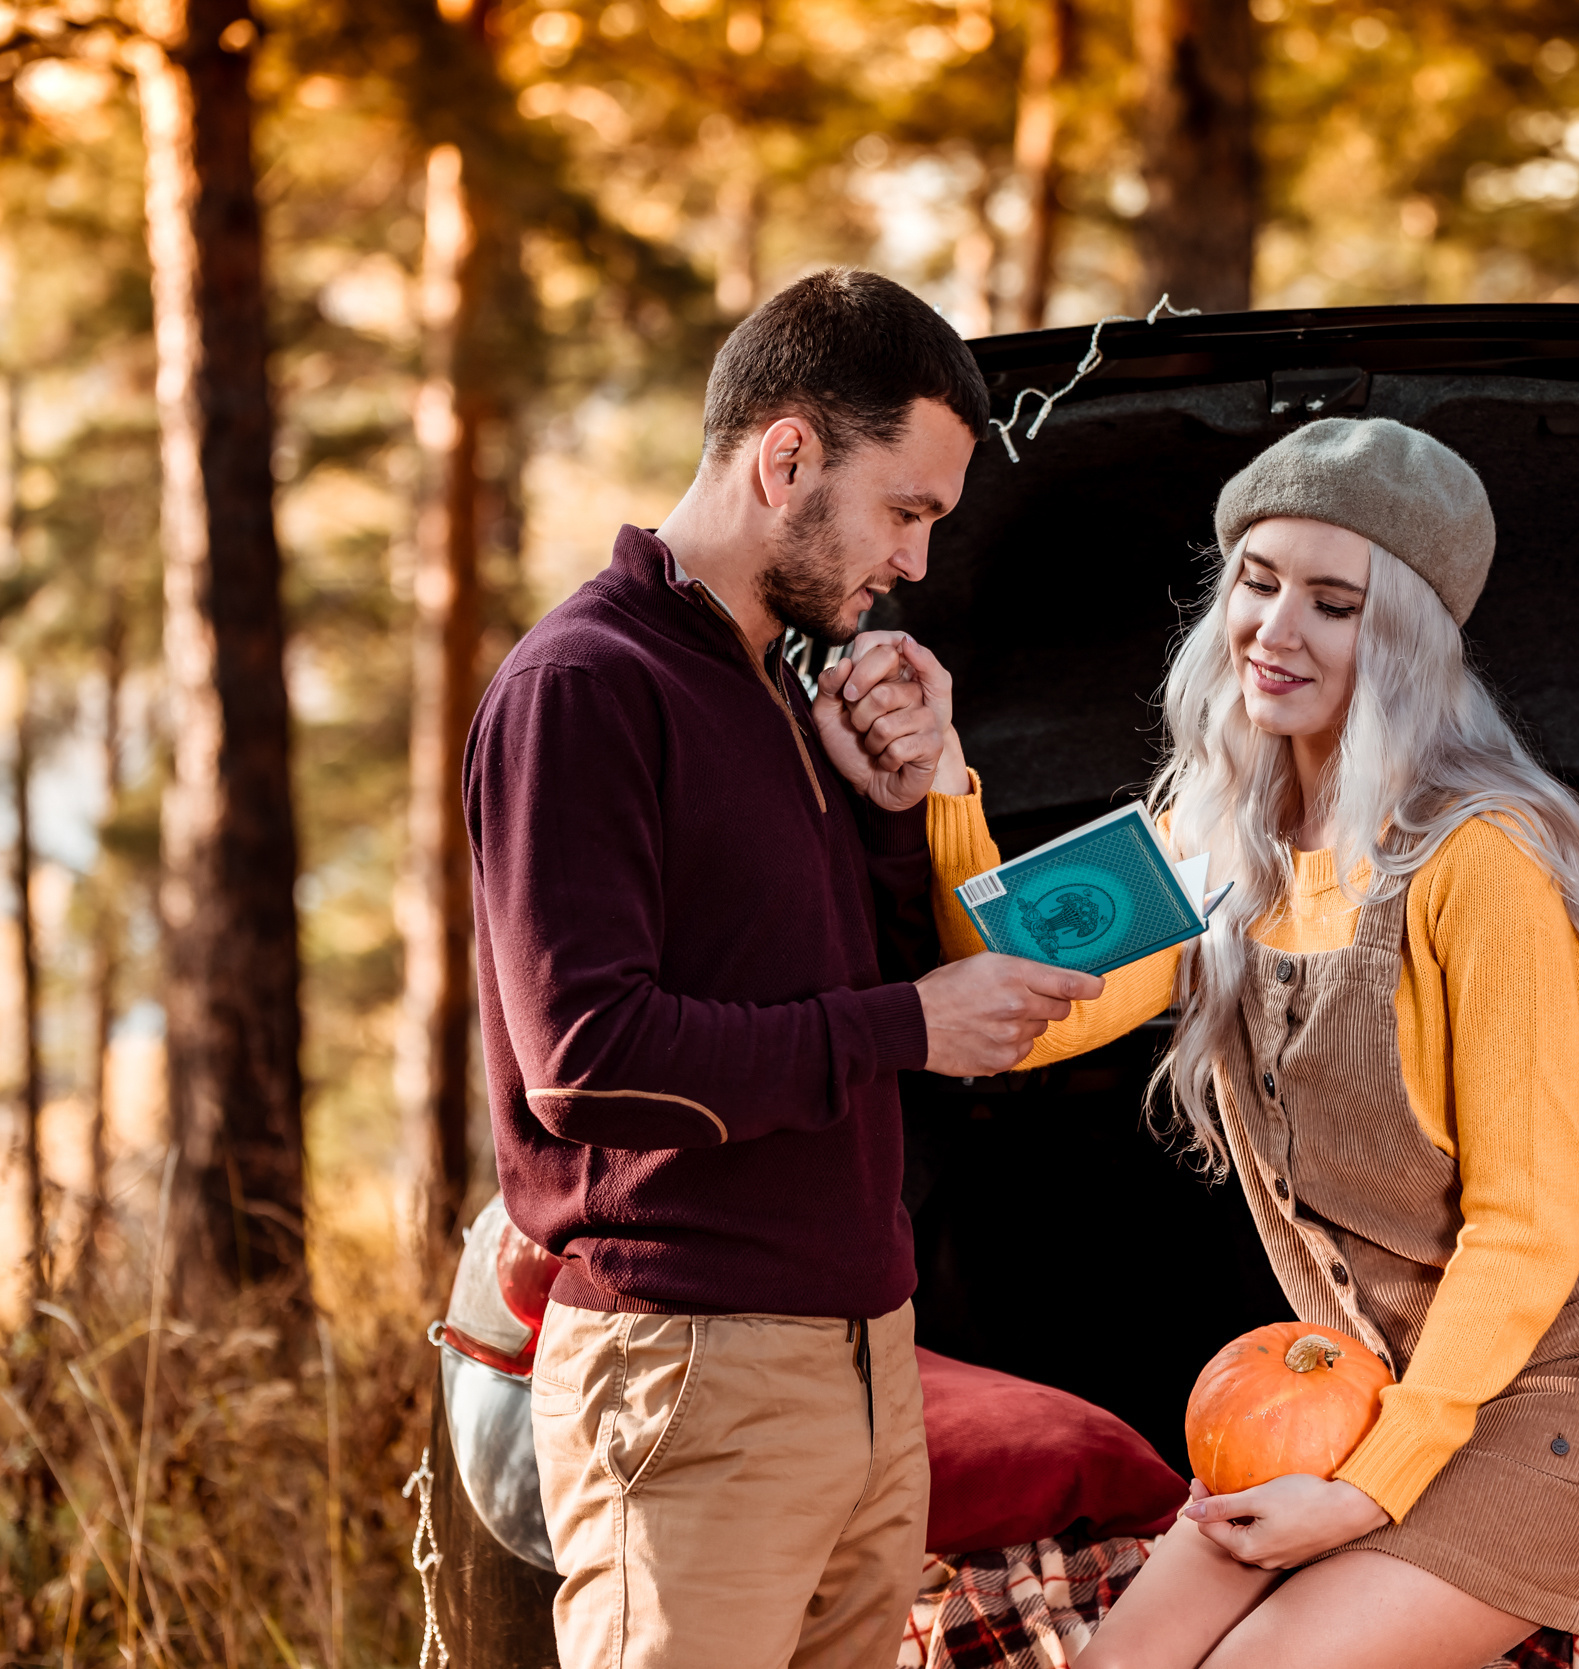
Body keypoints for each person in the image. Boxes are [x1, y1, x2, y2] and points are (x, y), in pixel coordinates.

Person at [904, 417, 1579, 1668]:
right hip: (1376, 1379)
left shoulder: (1479, 860)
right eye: (1257, 579)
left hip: (1577, 1390)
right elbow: (1013, 1016)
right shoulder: (1216, 833)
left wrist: (1365, 1488)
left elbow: (1523, 1229)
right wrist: (942, 782)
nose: (1274, 631)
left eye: (1333, 603)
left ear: (1401, 636)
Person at [465, 267, 1100, 1669]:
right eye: (907, 511)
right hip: (690, 1365)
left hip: (862, 1362)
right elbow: (587, 1055)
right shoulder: (586, 685)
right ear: (788, 454)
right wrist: (909, 1021)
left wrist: (893, 802)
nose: (918, 562)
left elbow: (804, 975)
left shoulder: (768, 687)